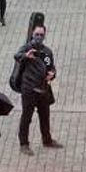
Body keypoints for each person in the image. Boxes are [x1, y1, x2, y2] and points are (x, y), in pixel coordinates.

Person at [15, 25, 62, 155]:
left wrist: (52, 74)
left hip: (43, 88)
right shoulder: (27, 48)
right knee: (26, 117)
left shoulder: (47, 52)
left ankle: (47, 139)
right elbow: (17, 56)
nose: (39, 37)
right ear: (32, 34)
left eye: (41, 35)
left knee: (45, 115)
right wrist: (26, 56)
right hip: (29, 89)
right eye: (37, 34)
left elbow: (51, 67)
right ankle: (24, 143)